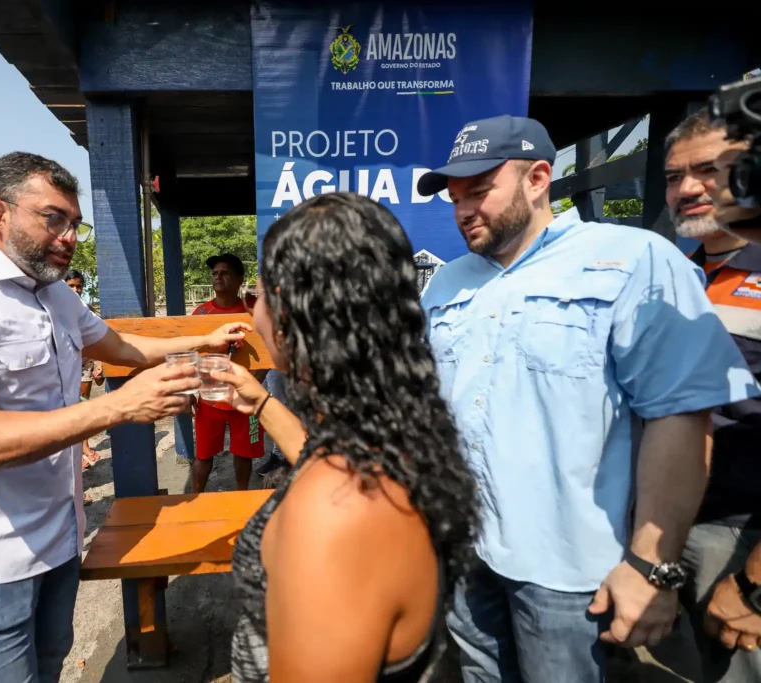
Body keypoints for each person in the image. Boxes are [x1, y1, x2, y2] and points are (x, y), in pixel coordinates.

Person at [415, 114, 759, 683]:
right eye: (454, 198)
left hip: (567, 568)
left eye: (479, 192)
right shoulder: (448, 282)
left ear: (538, 178)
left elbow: (680, 415)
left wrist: (652, 565)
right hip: (464, 552)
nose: (463, 211)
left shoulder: (634, 260)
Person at [0, 151, 249, 683]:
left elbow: (117, 345)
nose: (69, 236)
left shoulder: (52, 290)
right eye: (52, 218)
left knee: (50, 666)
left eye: (75, 223)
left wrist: (204, 340)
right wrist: (120, 405)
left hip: (59, 534)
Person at [206, 192, 478, 682]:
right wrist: (262, 403)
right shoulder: (389, 438)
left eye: (261, 295)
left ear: (295, 312)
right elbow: (318, 455)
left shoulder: (334, 514)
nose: (254, 315)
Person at [656, 110, 761, 681]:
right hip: (680, 528)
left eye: (708, 171)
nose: (688, 188)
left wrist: (754, 585)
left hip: (745, 538)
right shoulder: (676, 272)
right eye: (674, 176)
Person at [191, 253, 263, 493]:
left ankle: (242, 498)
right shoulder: (200, 315)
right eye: (214, 273)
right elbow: (191, 354)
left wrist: (253, 389)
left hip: (245, 400)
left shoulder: (253, 313)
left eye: (225, 273)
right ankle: (194, 501)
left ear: (240, 279)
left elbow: (266, 355)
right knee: (203, 455)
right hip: (210, 400)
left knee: (244, 454)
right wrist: (188, 389)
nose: (218, 277)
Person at [65, 269, 104, 469]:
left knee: (83, 403)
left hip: (85, 363)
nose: (75, 289)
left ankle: (85, 446)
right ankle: (76, 453)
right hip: (67, 366)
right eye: (70, 285)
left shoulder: (86, 309)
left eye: (78, 286)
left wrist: (98, 362)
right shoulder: (56, 309)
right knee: (70, 408)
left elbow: (98, 339)